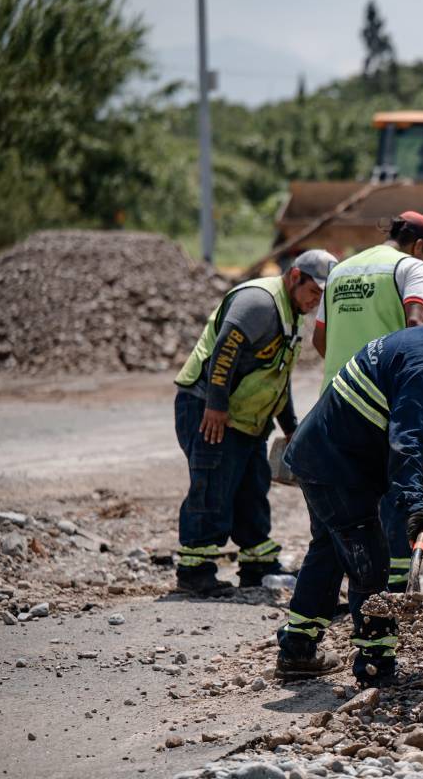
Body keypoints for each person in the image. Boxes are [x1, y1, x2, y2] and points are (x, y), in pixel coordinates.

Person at [275, 295, 423, 685]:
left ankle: (297, 648)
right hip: (335, 465)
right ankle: (376, 666)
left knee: (330, 549)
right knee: (370, 560)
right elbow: (405, 443)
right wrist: (415, 506)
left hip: (326, 456)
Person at [173, 250, 337, 596]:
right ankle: (194, 571)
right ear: (295, 277)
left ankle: (257, 565)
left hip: (246, 419)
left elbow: (277, 376)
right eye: (313, 292)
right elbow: (225, 350)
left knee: (252, 489)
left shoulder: (292, 313)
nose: (315, 301)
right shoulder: (260, 302)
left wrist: (290, 427)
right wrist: (216, 405)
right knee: (212, 488)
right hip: (209, 410)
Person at [314, 211, 423, 595]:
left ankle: (329, 598)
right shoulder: (411, 268)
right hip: (383, 404)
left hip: (334, 402)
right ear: (418, 246)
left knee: (340, 507)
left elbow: (320, 340)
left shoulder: (339, 271)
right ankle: (394, 593)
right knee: (393, 499)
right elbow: (418, 326)